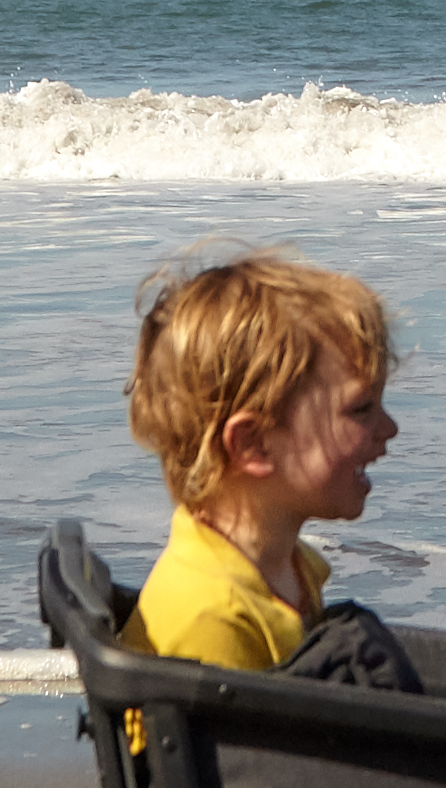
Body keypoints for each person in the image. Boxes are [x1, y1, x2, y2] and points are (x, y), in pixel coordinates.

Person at [117, 250, 411, 678]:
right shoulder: (212, 619)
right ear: (253, 444)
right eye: (361, 409)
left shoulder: (285, 567)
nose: (389, 428)